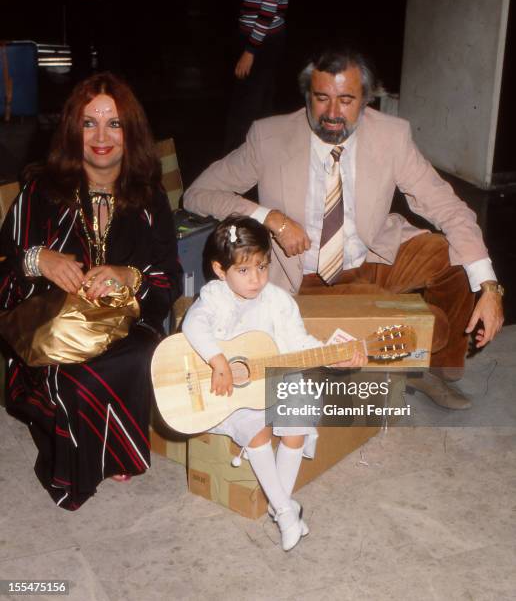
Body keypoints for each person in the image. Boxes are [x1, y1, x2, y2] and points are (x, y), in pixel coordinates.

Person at [183, 47, 504, 411]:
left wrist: (490, 287)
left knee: (458, 257)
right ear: (307, 96)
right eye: (322, 98)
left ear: (366, 100)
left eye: (347, 100)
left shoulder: (392, 136)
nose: (333, 113)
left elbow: (448, 207)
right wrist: (269, 217)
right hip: (300, 277)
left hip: (371, 258)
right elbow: (198, 194)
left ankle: (435, 369)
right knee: (329, 353)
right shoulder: (269, 138)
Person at [0, 72, 181, 510]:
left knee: (139, 355)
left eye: (114, 124)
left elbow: (169, 278)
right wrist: (37, 259)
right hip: (51, 333)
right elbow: (3, 271)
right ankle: (80, 467)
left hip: (125, 326)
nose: (101, 136)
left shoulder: (148, 198)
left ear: (130, 132)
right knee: (74, 379)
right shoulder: (42, 191)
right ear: (72, 130)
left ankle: (111, 445)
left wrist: (127, 275)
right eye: (89, 123)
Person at [182, 216, 366, 551]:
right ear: (221, 271)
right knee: (257, 430)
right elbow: (193, 326)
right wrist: (217, 358)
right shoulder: (214, 297)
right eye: (244, 271)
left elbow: (299, 343)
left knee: (298, 415)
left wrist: (331, 355)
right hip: (231, 393)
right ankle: (285, 510)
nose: (256, 279)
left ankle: (279, 504)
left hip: (276, 377)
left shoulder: (278, 301)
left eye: (263, 267)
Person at [224, 0, 289, 153]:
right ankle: (261, 153)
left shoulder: (255, 47)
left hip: (261, 42)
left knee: (247, 105)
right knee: (260, 102)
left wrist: (250, 51)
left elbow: (268, 9)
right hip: (262, 39)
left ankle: (239, 156)